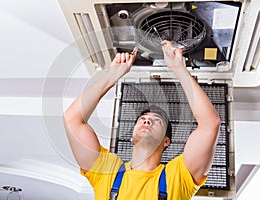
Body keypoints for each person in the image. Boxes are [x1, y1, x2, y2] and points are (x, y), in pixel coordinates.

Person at [63, 40, 221, 200]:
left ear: (166, 141)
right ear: (131, 136)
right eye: (142, 119)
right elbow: (72, 119)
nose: (147, 121)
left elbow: (210, 124)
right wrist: (112, 76)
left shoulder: (178, 177)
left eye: (157, 120)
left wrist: (179, 69)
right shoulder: (107, 171)